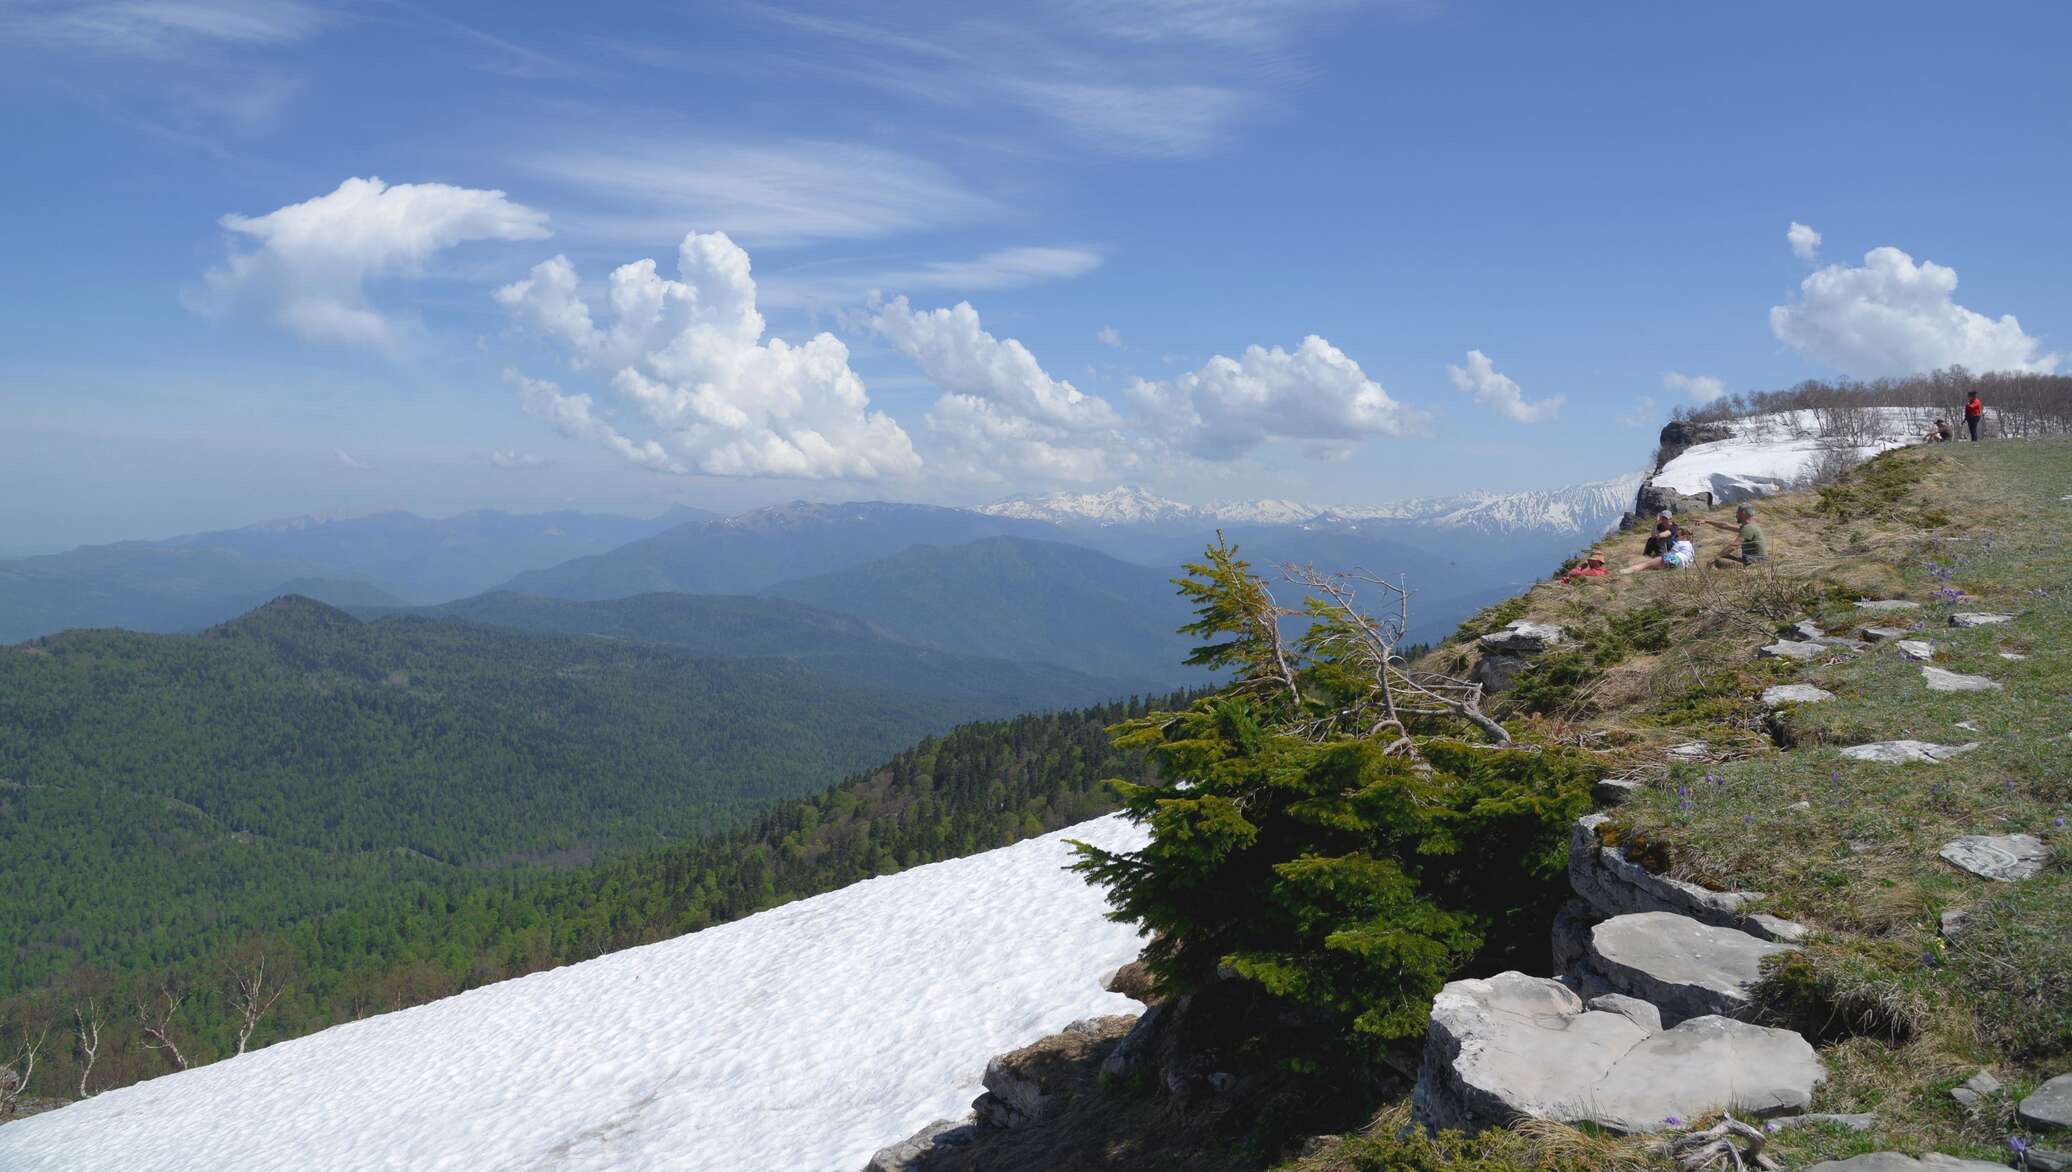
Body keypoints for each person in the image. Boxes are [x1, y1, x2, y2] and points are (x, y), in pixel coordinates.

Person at [1695, 503, 1768, 568]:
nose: (1736, 515)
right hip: (1754, 561)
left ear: (1743, 513)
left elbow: (1734, 545)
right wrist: (1707, 521)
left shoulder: (1748, 528)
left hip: (1753, 564)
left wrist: (1715, 558)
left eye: (1737, 512)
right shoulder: (1751, 526)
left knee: (1718, 560)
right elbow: (1725, 526)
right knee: (1723, 556)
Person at [1621, 526, 1694, 573]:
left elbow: (1671, 555)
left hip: (1676, 559)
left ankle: (1627, 571)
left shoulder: (1680, 543)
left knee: (1646, 564)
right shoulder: (1690, 546)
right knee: (1654, 566)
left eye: (1677, 535)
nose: (1676, 537)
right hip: (1684, 566)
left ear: (1684, 536)